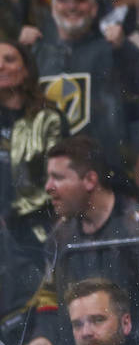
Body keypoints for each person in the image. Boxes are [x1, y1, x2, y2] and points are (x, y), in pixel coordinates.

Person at [16, 135, 139, 345]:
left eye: (58, 177)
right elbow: (50, 295)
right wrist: (43, 336)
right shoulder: (59, 236)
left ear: (90, 179)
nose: (48, 187)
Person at [30, 0, 139, 173]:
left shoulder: (111, 48)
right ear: (52, 7)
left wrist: (124, 48)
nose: (72, 6)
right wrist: (21, 51)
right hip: (48, 170)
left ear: (93, 7)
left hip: (102, 168)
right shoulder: (36, 53)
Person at [0, 39, 66, 328]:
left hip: (39, 227)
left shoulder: (49, 118)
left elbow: (64, 175)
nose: (0, 65)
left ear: (26, 70)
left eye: (9, 59)